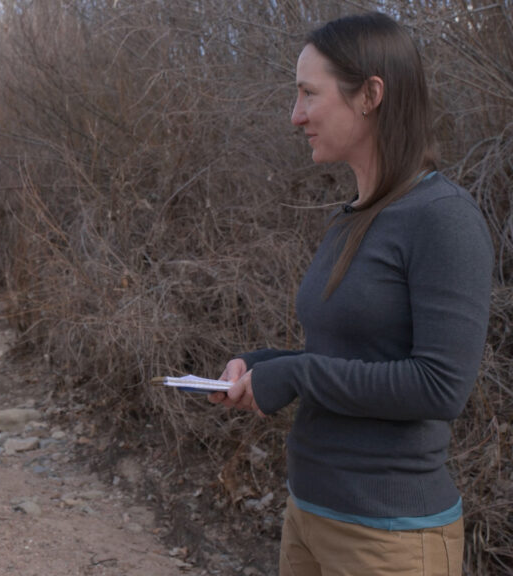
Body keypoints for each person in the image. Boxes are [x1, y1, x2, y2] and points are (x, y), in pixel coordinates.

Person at [210, 12, 492, 576]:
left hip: (388, 542)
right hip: (309, 517)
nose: (297, 116)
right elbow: (347, 357)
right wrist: (264, 366)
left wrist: (296, 377)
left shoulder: (444, 220)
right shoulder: (352, 219)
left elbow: (440, 388)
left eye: (309, 94)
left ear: (370, 95)